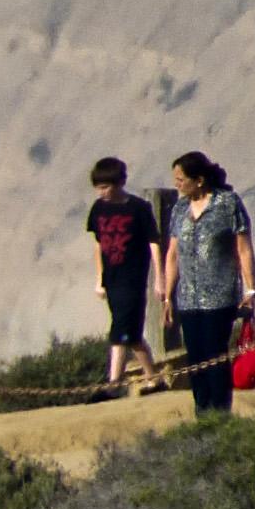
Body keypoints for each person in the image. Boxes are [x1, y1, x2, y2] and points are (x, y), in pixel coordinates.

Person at [163, 151, 255, 420]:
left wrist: (250, 290)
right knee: (195, 359)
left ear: (199, 180)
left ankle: (220, 414)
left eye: (181, 179)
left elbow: (243, 249)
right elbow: (172, 254)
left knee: (215, 355)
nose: (177, 185)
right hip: (188, 298)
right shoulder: (180, 209)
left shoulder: (227, 204)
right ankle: (201, 414)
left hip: (219, 296)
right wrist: (168, 296)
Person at [84, 158, 165, 391]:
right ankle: (153, 379)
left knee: (120, 330)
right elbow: (98, 244)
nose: (102, 192)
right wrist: (99, 279)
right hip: (112, 278)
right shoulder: (98, 209)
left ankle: (113, 384)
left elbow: (153, 243)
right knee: (131, 333)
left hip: (134, 277)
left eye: (106, 187)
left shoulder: (138, 208)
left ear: (119, 183)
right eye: (98, 188)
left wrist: (159, 278)